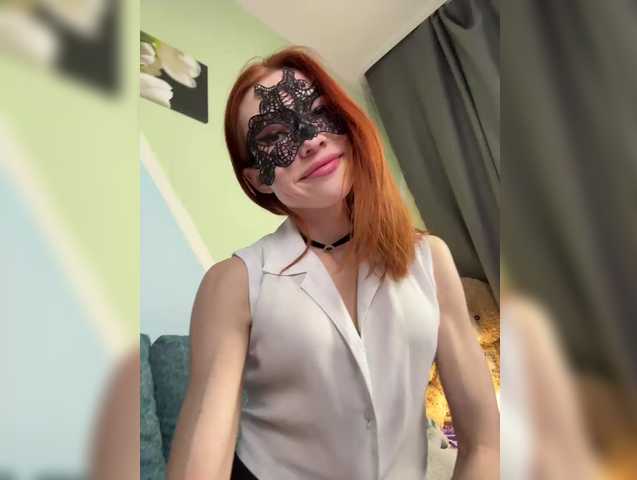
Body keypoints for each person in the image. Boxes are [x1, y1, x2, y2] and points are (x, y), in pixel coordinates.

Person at [166, 46, 499, 480]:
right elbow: (200, 465)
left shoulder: (430, 259)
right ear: (257, 178)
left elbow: (485, 443)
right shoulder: (234, 283)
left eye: (321, 112)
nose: (311, 139)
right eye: (274, 136)